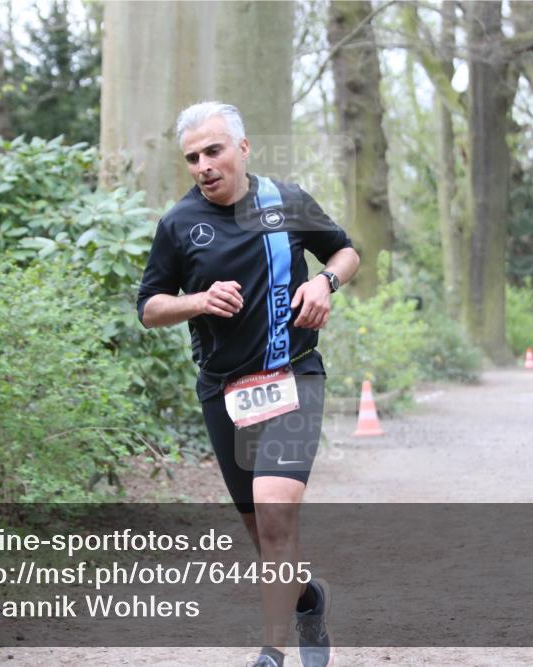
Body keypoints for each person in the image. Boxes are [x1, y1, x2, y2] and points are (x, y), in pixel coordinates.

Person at [137, 101, 360, 667]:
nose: (204, 165)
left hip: (293, 378)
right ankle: (308, 600)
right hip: (225, 392)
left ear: (243, 147)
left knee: (275, 513)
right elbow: (149, 307)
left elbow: (346, 250)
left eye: (213, 151)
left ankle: (271, 654)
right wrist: (197, 301)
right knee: (264, 537)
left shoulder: (285, 202)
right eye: (192, 157)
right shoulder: (180, 225)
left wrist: (326, 283)